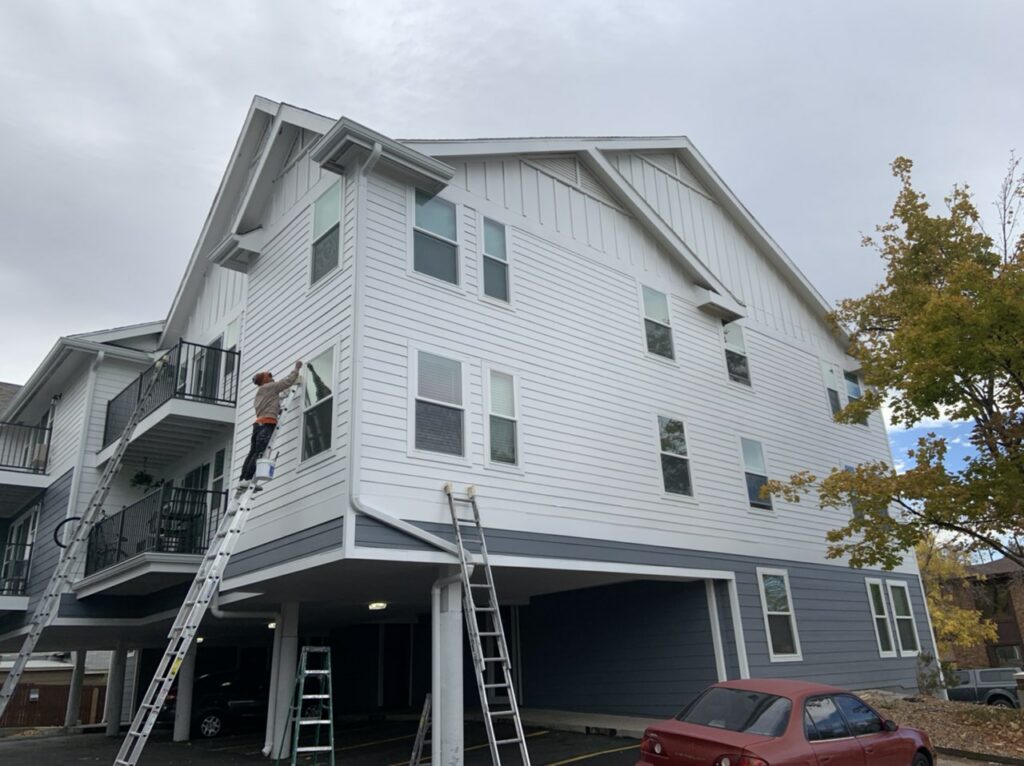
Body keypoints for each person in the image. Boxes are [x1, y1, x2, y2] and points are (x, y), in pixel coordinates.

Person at [238, 361, 302, 487]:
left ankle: (242, 480)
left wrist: (278, 410)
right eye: (269, 376)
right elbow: (287, 382)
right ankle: (248, 479)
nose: (272, 378)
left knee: (252, 452)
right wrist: (296, 368)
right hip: (266, 424)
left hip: (258, 425)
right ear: (265, 380)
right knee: (259, 453)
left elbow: (272, 404)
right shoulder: (269, 387)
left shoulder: (260, 393)